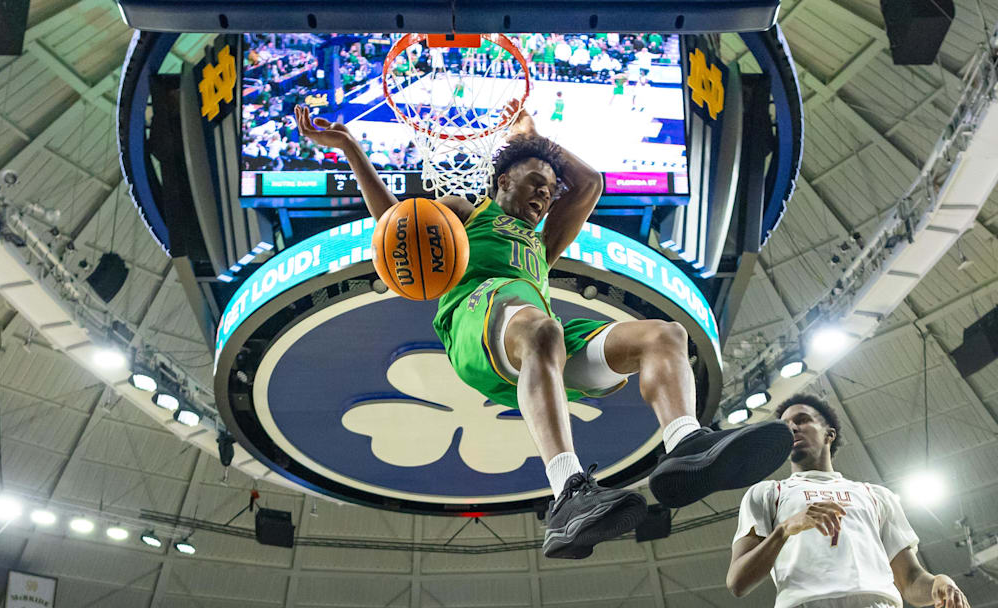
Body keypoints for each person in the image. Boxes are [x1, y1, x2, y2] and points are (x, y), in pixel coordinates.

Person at [293, 104, 791, 559]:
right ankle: (569, 492)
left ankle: (686, 444)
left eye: (551, 189)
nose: (546, 193)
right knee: (542, 328)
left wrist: (538, 140)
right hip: (475, 325)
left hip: (536, 339)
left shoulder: (543, 240)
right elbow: (395, 226)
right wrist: (352, 151)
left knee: (665, 336)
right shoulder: (469, 213)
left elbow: (590, 183)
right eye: (535, 182)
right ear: (503, 179)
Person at [727, 394, 971, 608]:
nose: (792, 428)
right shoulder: (767, 493)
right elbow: (737, 582)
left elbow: (910, 580)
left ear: (829, 434)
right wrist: (784, 529)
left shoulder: (876, 495)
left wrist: (938, 583)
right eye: (786, 425)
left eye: (802, 420)